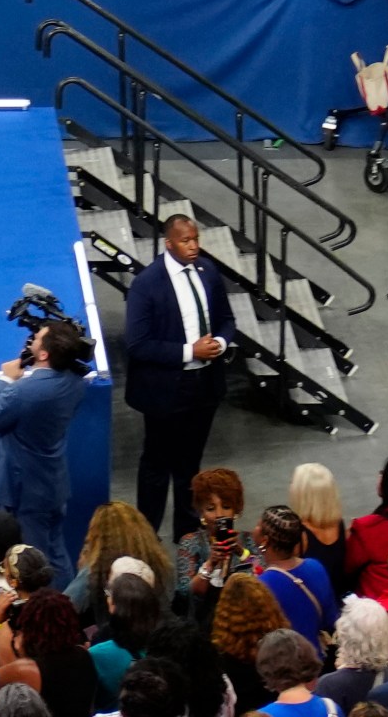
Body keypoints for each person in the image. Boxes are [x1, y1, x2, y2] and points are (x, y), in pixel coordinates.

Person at [125, 215, 237, 537]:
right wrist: (191, 352)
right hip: (166, 391)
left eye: (196, 239)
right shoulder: (147, 285)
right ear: (168, 243)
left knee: (191, 463)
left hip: (205, 387)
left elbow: (227, 320)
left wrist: (220, 342)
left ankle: (187, 532)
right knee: (157, 465)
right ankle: (147, 532)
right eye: (186, 241)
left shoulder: (208, 272)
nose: (194, 246)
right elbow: (138, 344)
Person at [0, 321, 93, 584]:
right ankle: (68, 609)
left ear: (43, 355)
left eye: (37, 339)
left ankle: (47, 617)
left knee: (33, 563)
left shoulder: (24, 391)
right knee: (56, 554)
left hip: (24, 492)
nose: (32, 341)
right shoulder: (75, 383)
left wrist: (7, 379)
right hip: (53, 485)